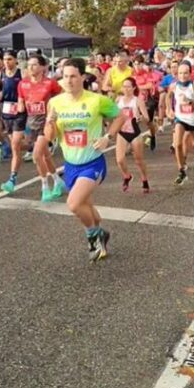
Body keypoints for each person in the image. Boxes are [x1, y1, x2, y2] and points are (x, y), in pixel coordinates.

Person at [45, 58, 125, 261]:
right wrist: (50, 121)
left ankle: (92, 236)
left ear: (82, 76)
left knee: (73, 204)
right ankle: (102, 233)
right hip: (71, 164)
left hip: (93, 163)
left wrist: (107, 137)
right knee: (86, 206)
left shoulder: (96, 100)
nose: (69, 80)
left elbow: (120, 116)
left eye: (73, 76)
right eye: (65, 76)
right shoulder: (55, 103)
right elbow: (50, 136)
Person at [18, 54, 64, 201]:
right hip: (32, 123)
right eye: (29, 65)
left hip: (47, 123)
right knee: (46, 156)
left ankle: (45, 186)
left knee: (37, 155)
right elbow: (21, 102)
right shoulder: (23, 84)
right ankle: (57, 181)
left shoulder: (50, 83)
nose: (31, 68)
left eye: (34, 64)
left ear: (43, 67)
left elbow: (61, 97)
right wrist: (19, 106)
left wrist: (54, 112)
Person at [168, 61, 194, 185]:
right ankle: (181, 171)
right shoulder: (174, 85)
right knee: (177, 144)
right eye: (180, 73)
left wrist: (190, 101)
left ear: (190, 73)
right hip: (180, 118)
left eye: (185, 73)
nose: (182, 75)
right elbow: (167, 96)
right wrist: (168, 108)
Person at [0, 51, 28, 193]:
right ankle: (35, 146)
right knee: (17, 146)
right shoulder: (0, 75)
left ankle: (12, 179)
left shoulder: (22, 73)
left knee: (15, 145)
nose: (6, 62)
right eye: (5, 60)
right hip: (6, 113)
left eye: (9, 59)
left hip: (20, 112)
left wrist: (24, 102)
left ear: (15, 60)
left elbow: (29, 90)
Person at [115, 77, 150, 193]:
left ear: (134, 88)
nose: (126, 89)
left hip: (134, 132)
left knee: (138, 160)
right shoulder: (118, 100)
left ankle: (144, 180)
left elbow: (147, 118)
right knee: (120, 160)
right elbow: (113, 116)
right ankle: (127, 176)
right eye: (124, 86)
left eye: (128, 86)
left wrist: (140, 117)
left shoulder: (137, 100)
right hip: (122, 132)